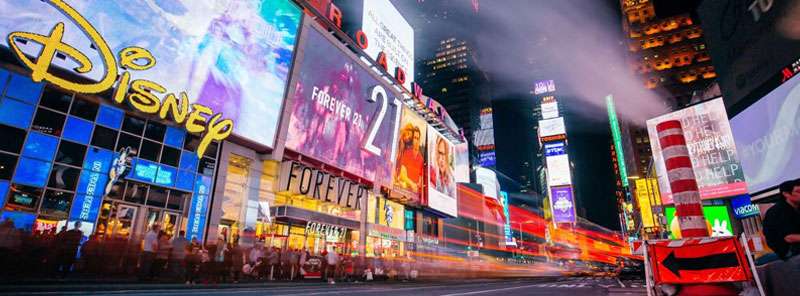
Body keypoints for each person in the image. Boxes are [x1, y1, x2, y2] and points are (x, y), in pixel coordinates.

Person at [763, 179, 800, 260]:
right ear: (786, 194)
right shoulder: (777, 211)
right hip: (789, 251)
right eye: (798, 191)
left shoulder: (797, 208)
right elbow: (789, 237)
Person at [394, 124, 424, 192]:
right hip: (404, 190)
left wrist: (418, 185)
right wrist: (411, 184)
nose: (416, 141)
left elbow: (420, 179)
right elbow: (401, 173)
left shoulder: (421, 159)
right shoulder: (406, 152)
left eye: (418, 138)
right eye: (414, 138)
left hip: (415, 193)